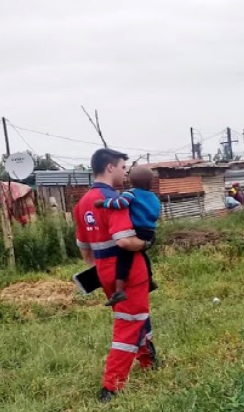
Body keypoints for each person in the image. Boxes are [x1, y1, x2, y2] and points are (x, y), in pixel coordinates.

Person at [74, 148, 157, 403]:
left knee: (135, 314)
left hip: (104, 271)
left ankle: (148, 360)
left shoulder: (82, 203)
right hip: (129, 270)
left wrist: (101, 269)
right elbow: (126, 242)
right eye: (122, 167)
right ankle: (111, 387)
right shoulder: (114, 199)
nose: (125, 172)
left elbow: (84, 247)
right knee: (129, 323)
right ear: (110, 167)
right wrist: (148, 242)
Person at [94, 165, 161, 306]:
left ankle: (119, 291)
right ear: (150, 183)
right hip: (150, 231)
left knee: (124, 258)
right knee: (142, 253)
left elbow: (120, 203)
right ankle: (149, 280)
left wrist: (103, 203)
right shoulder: (153, 196)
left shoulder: (131, 193)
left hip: (137, 230)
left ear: (130, 181)